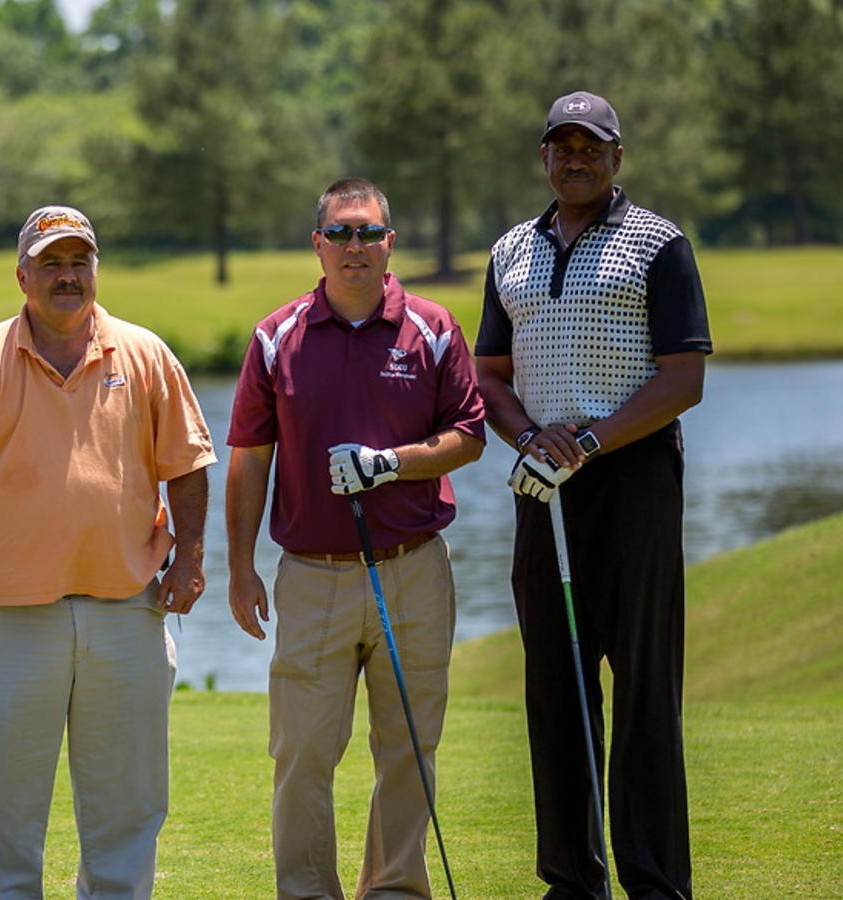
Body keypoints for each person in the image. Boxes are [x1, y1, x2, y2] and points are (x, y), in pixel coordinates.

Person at [0, 205, 214, 900]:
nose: (67, 276)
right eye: (51, 263)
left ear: (96, 271)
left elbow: (190, 464)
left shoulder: (143, 353)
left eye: (79, 261)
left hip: (127, 606)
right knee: (7, 806)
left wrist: (192, 558)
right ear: (22, 275)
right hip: (8, 613)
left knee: (128, 801)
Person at [474, 92, 712, 900]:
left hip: (634, 478)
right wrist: (531, 440)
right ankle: (573, 879)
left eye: (591, 145)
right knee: (556, 682)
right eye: (561, 145)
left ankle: (654, 883)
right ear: (543, 156)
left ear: (617, 156)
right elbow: (489, 377)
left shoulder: (659, 244)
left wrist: (592, 438)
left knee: (643, 685)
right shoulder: (511, 250)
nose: (575, 157)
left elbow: (684, 378)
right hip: (544, 485)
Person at [225, 177, 486, 899]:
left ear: (389, 243)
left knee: (407, 745)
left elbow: (469, 436)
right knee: (304, 751)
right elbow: (249, 456)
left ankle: (396, 890)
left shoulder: (432, 328)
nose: (355, 246)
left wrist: (390, 466)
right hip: (312, 574)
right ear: (318, 245)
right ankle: (307, 891)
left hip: (414, 570)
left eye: (369, 232)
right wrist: (241, 569)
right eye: (340, 233)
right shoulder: (276, 337)